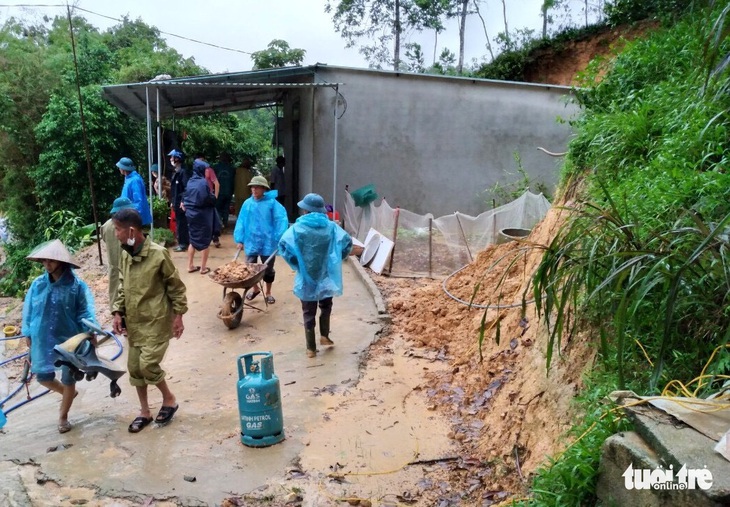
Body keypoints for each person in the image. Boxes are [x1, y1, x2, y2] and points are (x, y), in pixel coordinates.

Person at [110, 208, 187, 433]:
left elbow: (176, 287)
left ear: (131, 230)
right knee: (134, 367)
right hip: (134, 321)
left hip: (156, 319)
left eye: (117, 229)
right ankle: (144, 411)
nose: (115, 234)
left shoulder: (158, 254)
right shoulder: (125, 254)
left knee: (148, 365)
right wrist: (118, 312)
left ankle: (169, 399)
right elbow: (123, 285)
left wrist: (179, 316)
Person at [21, 239, 98, 433]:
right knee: (42, 377)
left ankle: (63, 417)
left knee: (69, 378)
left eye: (51, 261)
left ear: (62, 262)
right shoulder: (37, 285)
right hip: (43, 338)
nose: (47, 265)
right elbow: (28, 310)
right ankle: (67, 394)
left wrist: (90, 332)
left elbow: (85, 312)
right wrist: (28, 332)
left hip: (69, 339)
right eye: (45, 261)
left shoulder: (77, 286)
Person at [278, 194, 352, 358]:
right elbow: (347, 243)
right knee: (326, 305)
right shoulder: (331, 227)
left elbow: (283, 245)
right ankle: (324, 336)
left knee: (308, 311)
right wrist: (336, 259)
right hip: (326, 275)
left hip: (306, 277)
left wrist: (297, 264)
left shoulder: (297, 228)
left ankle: (310, 348)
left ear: (306, 210)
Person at [233, 175, 288, 304]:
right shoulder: (247, 204)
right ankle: (255, 289)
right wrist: (240, 239)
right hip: (251, 240)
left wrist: (279, 237)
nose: (254, 190)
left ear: (264, 189)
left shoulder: (272, 203)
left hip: (268, 241)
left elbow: (281, 220)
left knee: (267, 268)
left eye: (257, 187)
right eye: (252, 187)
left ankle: (268, 293)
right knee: (249, 268)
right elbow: (241, 221)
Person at [182, 160, 216, 274]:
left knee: (193, 239)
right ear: (201, 170)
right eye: (206, 169)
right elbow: (206, 198)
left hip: (190, 215)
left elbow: (186, 196)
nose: (207, 171)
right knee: (205, 240)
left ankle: (190, 265)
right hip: (202, 215)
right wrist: (213, 198)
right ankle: (203, 268)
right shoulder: (203, 183)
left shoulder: (190, 181)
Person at [101, 197, 136, 307]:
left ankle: (116, 315)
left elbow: (104, 238)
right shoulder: (130, 226)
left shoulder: (105, 226)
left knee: (115, 295)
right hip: (130, 264)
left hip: (114, 266)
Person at [116, 157, 153, 227]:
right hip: (128, 214)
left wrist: (134, 218)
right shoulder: (129, 178)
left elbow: (138, 201)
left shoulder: (134, 180)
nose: (119, 169)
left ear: (124, 169)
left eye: (120, 167)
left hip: (133, 217)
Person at [194, 153, 222, 248]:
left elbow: (216, 184)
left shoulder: (209, 170)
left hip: (208, 198)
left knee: (213, 218)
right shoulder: (195, 173)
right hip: (199, 199)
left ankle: (215, 237)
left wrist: (215, 197)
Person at [169, 150, 189, 252]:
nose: (171, 159)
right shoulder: (177, 172)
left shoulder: (182, 172)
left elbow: (186, 188)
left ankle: (183, 243)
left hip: (181, 203)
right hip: (176, 202)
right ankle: (183, 242)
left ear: (177, 159)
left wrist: (183, 200)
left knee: (182, 223)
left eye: (172, 157)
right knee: (180, 223)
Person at [213, 152, 235, 230]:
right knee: (226, 209)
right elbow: (233, 181)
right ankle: (225, 224)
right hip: (228, 192)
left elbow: (213, 181)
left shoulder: (216, 167)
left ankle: (219, 225)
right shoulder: (231, 169)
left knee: (218, 208)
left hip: (219, 192)